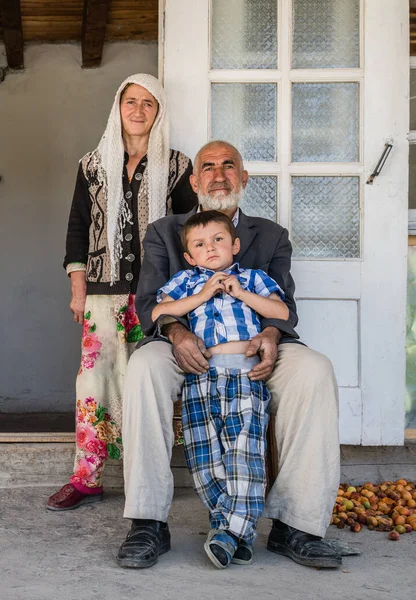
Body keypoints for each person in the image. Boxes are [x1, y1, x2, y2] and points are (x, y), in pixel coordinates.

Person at [117, 140, 341, 569]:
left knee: (315, 370)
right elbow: (149, 304)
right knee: (144, 367)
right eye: (208, 167)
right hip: (182, 342)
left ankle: (297, 524)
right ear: (195, 180)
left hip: (255, 345)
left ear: (243, 177)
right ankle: (147, 521)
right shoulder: (165, 231)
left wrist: (272, 335)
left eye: (229, 166)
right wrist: (178, 332)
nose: (219, 175)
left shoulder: (271, 235)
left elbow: (284, 306)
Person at [47, 74, 197, 511]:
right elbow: (77, 226)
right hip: (101, 292)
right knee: (93, 382)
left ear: (159, 111)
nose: (137, 110)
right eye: (130, 101)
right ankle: (86, 477)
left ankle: (143, 478)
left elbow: (191, 233)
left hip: (158, 295)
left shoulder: (178, 166)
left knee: (143, 384)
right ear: (118, 107)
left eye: (148, 103)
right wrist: (78, 287)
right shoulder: (93, 164)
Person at [152, 210, 288, 568]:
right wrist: (201, 295)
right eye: (200, 244)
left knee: (244, 454)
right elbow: (158, 312)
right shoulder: (187, 281)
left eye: (218, 240)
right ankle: (234, 532)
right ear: (189, 257)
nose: (210, 248)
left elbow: (282, 312)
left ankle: (228, 533)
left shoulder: (253, 277)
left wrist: (241, 293)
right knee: (205, 458)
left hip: (245, 378)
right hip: (202, 379)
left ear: (235, 245)